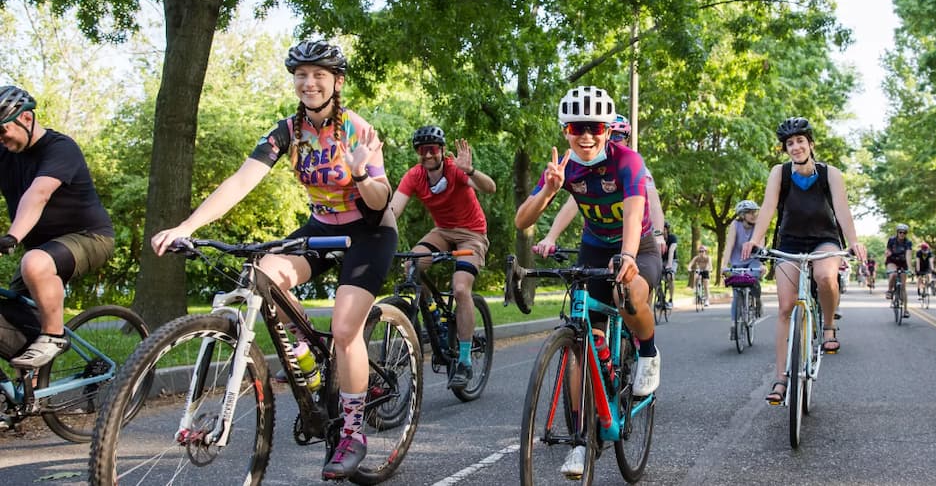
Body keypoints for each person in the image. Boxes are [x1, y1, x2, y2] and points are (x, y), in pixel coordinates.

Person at [150, 41, 396, 480]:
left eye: (319, 74)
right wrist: (188, 225)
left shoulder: (357, 129)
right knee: (265, 273)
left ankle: (353, 432)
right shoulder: (286, 132)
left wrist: (359, 172)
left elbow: (381, 199)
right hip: (322, 226)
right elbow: (240, 181)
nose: (309, 82)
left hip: (369, 230)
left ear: (336, 82)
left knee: (344, 328)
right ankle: (308, 365)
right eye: (302, 74)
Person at [515, 85, 660, 478]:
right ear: (565, 131)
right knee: (582, 346)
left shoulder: (627, 160)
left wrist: (628, 257)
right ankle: (582, 440)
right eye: (576, 127)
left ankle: (647, 352)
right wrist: (548, 189)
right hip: (593, 249)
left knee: (627, 292)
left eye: (594, 127)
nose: (586, 136)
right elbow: (521, 221)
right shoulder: (565, 167)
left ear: (608, 129)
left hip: (639, 247)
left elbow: (633, 215)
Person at [740, 117, 866, 404]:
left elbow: (843, 212)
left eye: (800, 141)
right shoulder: (779, 173)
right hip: (790, 242)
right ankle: (781, 378)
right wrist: (756, 239)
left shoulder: (829, 174)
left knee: (824, 276)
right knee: (785, 307)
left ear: (811, 144)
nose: (795, 147)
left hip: (825, 239)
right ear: (785, 149)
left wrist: (855, 241)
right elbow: (769, 208)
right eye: (789, 143)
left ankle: (829, 325)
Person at [0, 86, 116, 368]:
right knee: (8, 317)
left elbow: (38, 194)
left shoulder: (60, 149)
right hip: (42, 250)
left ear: (26, 119)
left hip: (90, 238)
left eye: (1, 130)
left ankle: (54, 336)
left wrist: (12, 236)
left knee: (35, 262)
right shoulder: (3, 153)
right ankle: (34, 388)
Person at [388, 126, 496, 389]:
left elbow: (490, 188)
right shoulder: (415, 176)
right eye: (422, 150)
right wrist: (376, 234)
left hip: (472, 234)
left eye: (432, 149)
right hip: (443, 231)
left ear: (442, 151)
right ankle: (434, 315)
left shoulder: (455, 169)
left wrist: (470, 170)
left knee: (460, 288)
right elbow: (393, 210)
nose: (427, 155)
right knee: (411, 265)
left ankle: (465, 360)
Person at [534, 114, 667, 257]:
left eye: (618, 136)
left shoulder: (632, 166)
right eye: (610, 136)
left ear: (627, 140)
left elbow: (653, 204)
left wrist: (658, 234)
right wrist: (550, 237)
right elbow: (570, 207)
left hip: (632, 239)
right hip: (599, 241)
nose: (612, 140)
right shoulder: (586, 168)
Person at [720, 200, 763, 338]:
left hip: (753, 260)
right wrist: (724, 265)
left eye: (754, 212)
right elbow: (729, 246)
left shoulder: (759, 226)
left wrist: (762, 264)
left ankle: (757, 299)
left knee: (755, 276)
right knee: (737, 293)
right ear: (742, 215)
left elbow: (760, 246)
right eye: (750, 212)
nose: (753, 215)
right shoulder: (735, 225)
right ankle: (734, 325)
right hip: (737, 262)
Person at [885, 223, 913, 317]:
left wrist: (910, 268)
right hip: (892, 261)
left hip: (903, 262)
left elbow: (908, 255)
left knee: (903, 287)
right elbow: (887, 250)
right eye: (900, 232)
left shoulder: (908, 242)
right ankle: (889, 291)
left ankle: (905, 310)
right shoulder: (891, 240)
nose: (902, 234)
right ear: (897, 232)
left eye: (904, 233)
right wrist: (887, 253)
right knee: (893, 274)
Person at [662, 221, 679, 308]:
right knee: (655, 277)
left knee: (670, 276)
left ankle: (671, 300)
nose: (662, 230)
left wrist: (669, 264)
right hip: (661, 260)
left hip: (672, 261)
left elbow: (671, 251)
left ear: (667, 230)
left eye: (664, 228)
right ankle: (660, 298)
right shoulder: (657, 238)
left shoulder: (672, 238)